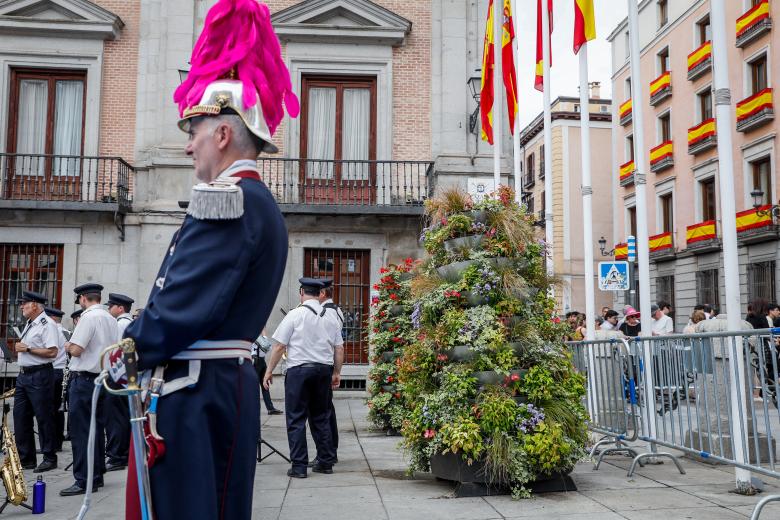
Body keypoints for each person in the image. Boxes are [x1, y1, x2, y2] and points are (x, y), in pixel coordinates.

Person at [123, 1, 294, 514]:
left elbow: (185, 304)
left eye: (193, 133)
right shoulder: (252, 200)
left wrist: (131, 344)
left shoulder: (231, 199)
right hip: (214, 386)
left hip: (198, 391)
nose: (187, 147)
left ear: (222, 133)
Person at [264, 278, 344, 479]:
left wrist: (269, 371)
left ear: (302, 292)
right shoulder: (331, 316)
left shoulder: (295, 314)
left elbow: (279, 346)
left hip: (299, 371)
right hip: (323, 371)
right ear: (319, 294)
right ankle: (325, 462)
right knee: (322, 416)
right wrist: (337, 372)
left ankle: (299, 466)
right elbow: (339, 348)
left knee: (296, 417)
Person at [61, 283, 118, 496]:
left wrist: (67, 345)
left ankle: (84, 480)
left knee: (82, 432)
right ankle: (97, 475)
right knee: (96, 430)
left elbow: (76, 349)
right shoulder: (109, 318)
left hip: (84, 381)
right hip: (103, 379)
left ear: (83, 299)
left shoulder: (88, 317)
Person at [13, 291, 59, 473]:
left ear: (35, 305)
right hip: (24, 376)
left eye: (24, 303)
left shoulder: (47, 324)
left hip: (40, 375)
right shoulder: (30, 323)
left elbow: (52, 352)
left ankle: (49, 457)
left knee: (43, 417)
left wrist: (28, 348)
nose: (21, 306)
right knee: (20, 417)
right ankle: (26, 458)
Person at [103, 293, 134, 472]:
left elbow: (115, 350)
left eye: (111, 306)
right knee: (122, 416)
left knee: (116, 418)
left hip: (117, 373)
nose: (109, 309)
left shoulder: (120, 324)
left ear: (120, 308)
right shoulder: (129, 323)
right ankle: (122, 453)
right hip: (125, 374)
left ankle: (117, 455)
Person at [315, 278, 344, 465]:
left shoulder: (328, 312)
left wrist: (336, 371)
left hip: (323, 365)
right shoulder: (335, 310)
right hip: (327, 366)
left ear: (323, 294)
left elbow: (335, 345)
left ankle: (328, 452)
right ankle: (330, 448)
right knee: (327, 410)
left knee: (322, 413)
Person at [44, 306, 68, 452]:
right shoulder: (66, 331)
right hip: (62, 372)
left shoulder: (52, 330)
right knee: (58, 409)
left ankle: (52, 443)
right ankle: (58, 441)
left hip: (53, 372)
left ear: (51, 318)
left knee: (50, 409)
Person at [253, 329, 283, 415]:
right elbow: (267, 346)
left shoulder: (259, 336)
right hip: (255, 362)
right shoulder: (254, 335)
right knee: (255, 387)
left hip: (262, 361)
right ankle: (255, 409)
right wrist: (264, 333)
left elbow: (267, 347)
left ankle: (270, 408)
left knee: (265, 385)